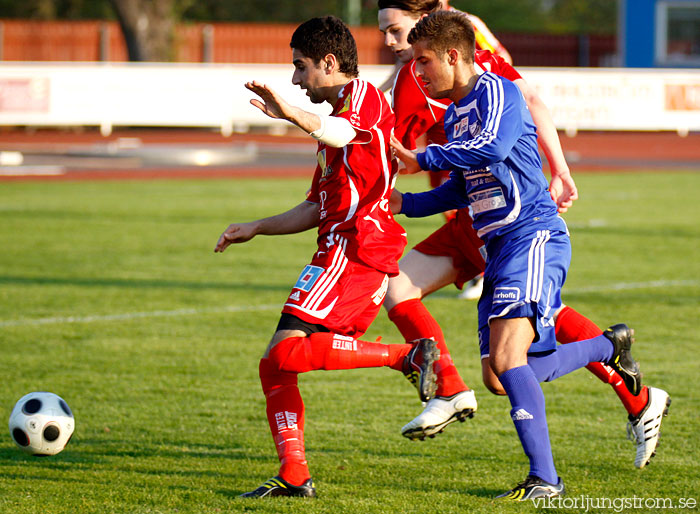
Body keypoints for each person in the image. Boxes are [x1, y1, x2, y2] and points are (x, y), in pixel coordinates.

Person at [379, 0, 670, 473]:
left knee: (513, 354)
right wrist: (405, 203)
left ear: (452, 54)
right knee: (502, 376)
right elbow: (459, 188)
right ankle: (607, 347)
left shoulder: (496, 91)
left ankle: (543, 478)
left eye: (421, 58)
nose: (415, 67)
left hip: (530, 234)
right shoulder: (453, 115)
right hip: (493, 243)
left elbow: (492, 145)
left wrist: (425, 158)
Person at [215, 16, 441, 498]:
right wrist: (257, 227)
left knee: (285, 353)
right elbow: (317, 206)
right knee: (275, 364)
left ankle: (407, 356)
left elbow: (340, 132)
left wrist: (290, 111)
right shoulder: (335, 122)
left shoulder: (361, 99)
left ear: (330, 63)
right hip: (343, 247)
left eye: (301, 68)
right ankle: (294, 477)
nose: (296, 79)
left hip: (356, 248)